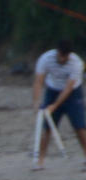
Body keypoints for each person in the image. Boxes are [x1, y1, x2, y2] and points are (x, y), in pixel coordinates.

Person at [31, 39, 86, 170]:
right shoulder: (45, 59)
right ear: (57, 52)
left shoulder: (76, 63)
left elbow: (68, 88)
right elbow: (38, 81)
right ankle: (40, 161)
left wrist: (54, 106)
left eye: (65, 56)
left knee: (79, 126)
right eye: (61, 55)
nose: (62, 59)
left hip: (73, 93)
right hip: (52, 90)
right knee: (47, 127)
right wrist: (36, 102)